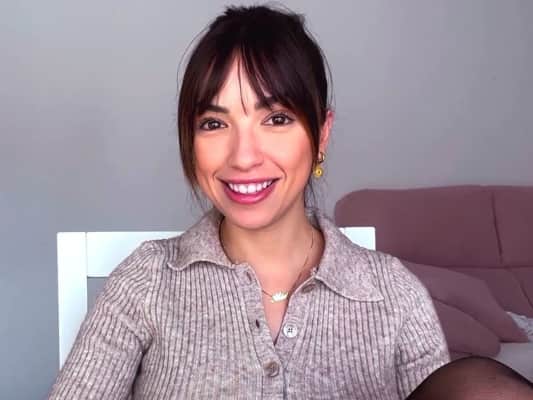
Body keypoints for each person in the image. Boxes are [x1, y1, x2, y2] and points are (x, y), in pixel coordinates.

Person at [49, 5, 533, 400]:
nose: (243, 157)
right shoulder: (146, 282)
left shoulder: (394, 294)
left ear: (321, 134)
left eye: (276, 119)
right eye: (214, 124)